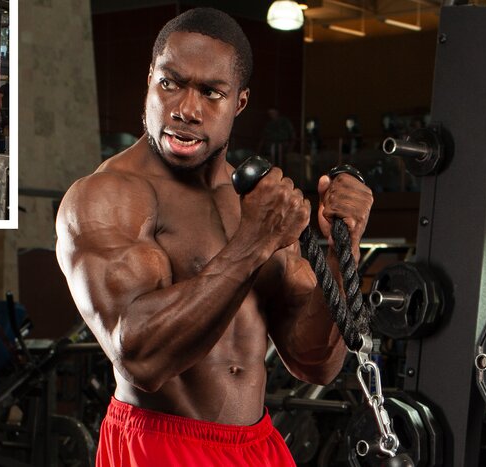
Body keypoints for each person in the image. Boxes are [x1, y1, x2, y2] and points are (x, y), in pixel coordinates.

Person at [55, 8, 373, 466]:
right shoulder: (110, 196)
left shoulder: (255, 201)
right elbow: (139, 358)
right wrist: (252, 243)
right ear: (149, 79)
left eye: (210, 92)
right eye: (171, 83)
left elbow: (315, 362)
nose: (186, 109)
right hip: (159, 445)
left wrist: (345, 249)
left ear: (239, 102)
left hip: (257, 445)